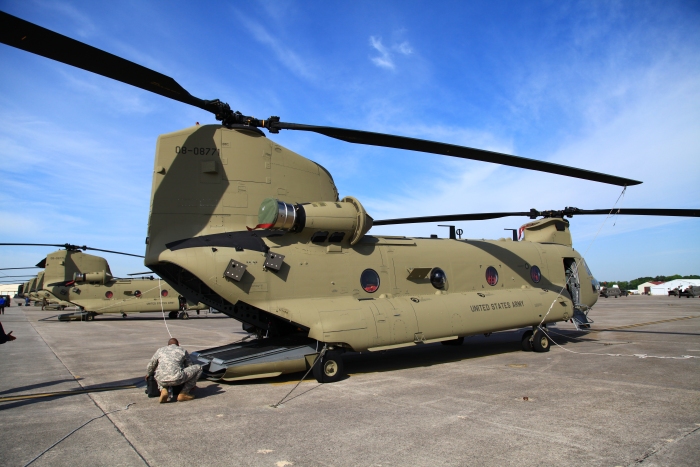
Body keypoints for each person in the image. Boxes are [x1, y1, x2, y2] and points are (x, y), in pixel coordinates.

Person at [145, 337, 202, 403]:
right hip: (177, 379)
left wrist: (148, 374)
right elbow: (189, 365)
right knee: (199, 368)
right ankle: (184, 393)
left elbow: (151, 365)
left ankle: (163, 389)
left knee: (160, 373)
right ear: (178, 344)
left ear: (168, 345)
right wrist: (192, 383)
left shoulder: (160, 350)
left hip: (161, 380)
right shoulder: (182, 350)